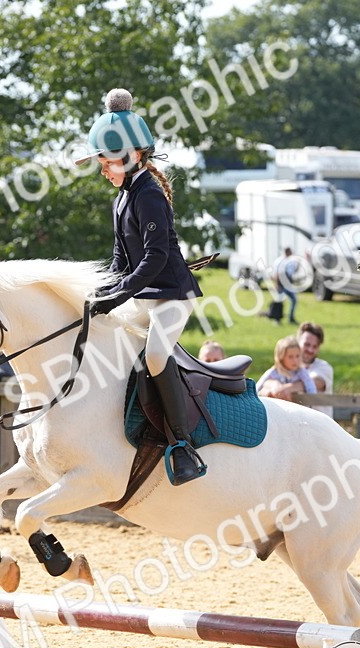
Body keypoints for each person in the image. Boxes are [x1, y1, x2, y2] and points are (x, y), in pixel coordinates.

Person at [77, 87, 205, 485]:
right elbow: (121, 259)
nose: (102, 170)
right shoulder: (122, 198)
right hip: (144, 295)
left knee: (153, 358)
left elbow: (155, 259)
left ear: (131, 156)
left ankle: (183, 445)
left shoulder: (148, 194)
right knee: (104, 341)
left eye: (106, 162)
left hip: (169, 297)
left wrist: (119, 295)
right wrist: (101, 293)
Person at [257, 335, 318, 402]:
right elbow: (257, 388)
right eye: (290, 357)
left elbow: (311, 388)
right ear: (281, 357)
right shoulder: (273, 372)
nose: (295, 360)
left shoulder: (301, 372)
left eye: (297, 356)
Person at [296, 322, 334, 417]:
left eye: (315, 346)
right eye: (307, 345)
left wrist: (285, 388)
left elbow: (314, 382)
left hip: (320, 428)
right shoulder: (288, 367)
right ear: (297, 342)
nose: (310, 350)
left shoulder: (324, 367)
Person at [271, 247, 301, 324]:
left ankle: (291, 318)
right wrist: (277, 285)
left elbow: (294, 271)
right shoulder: (280, 261)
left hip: (288, 284)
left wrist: (298, 263)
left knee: (294, 300)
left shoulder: (291, 261)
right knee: (279, 301)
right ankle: (277, 319)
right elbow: (276, 274)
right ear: (287, 252)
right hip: (281, 284)